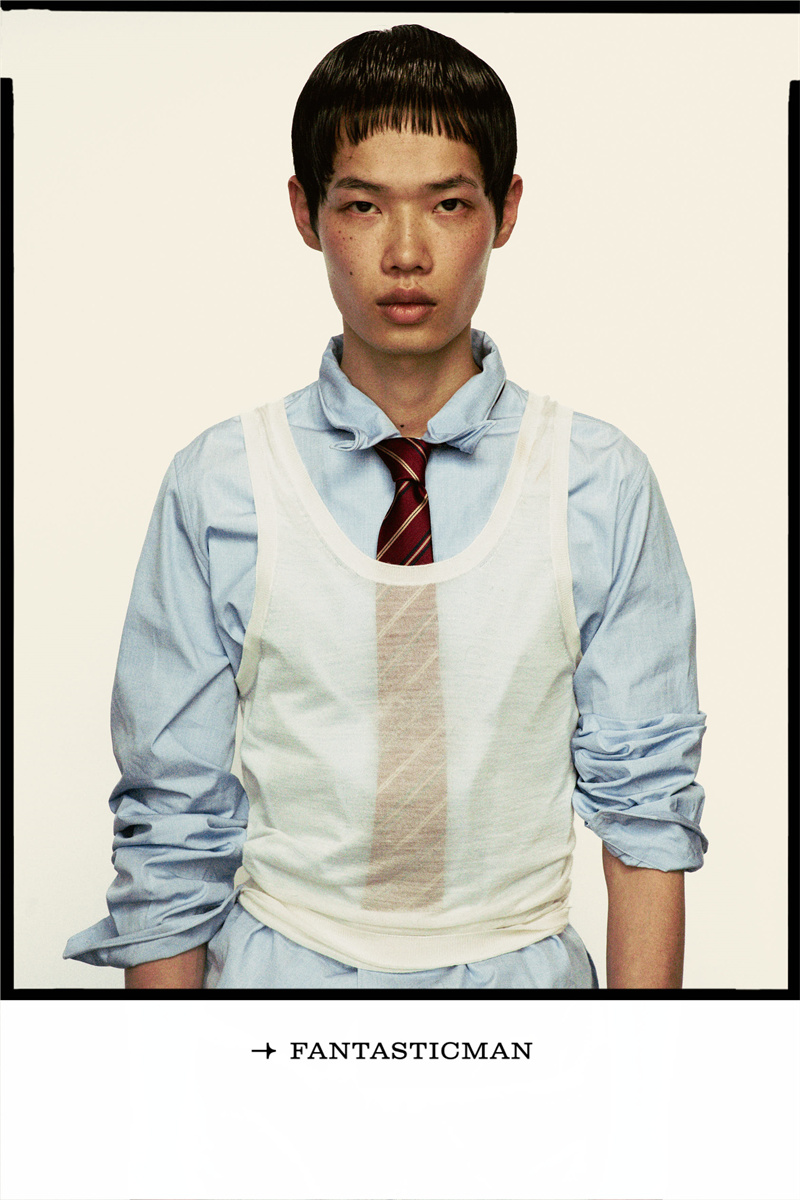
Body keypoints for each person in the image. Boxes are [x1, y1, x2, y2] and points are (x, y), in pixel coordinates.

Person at [64, 24, 707, 990]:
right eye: (363, 205)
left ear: (506, 210)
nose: (406, 253)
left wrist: (635, 1063)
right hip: (273, 994)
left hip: (524, 999)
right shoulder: (223, 482)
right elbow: (171, 821)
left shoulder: (596, 480)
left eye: (449, 204)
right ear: (306, 212)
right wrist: (180, 1071)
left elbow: (647, 813)